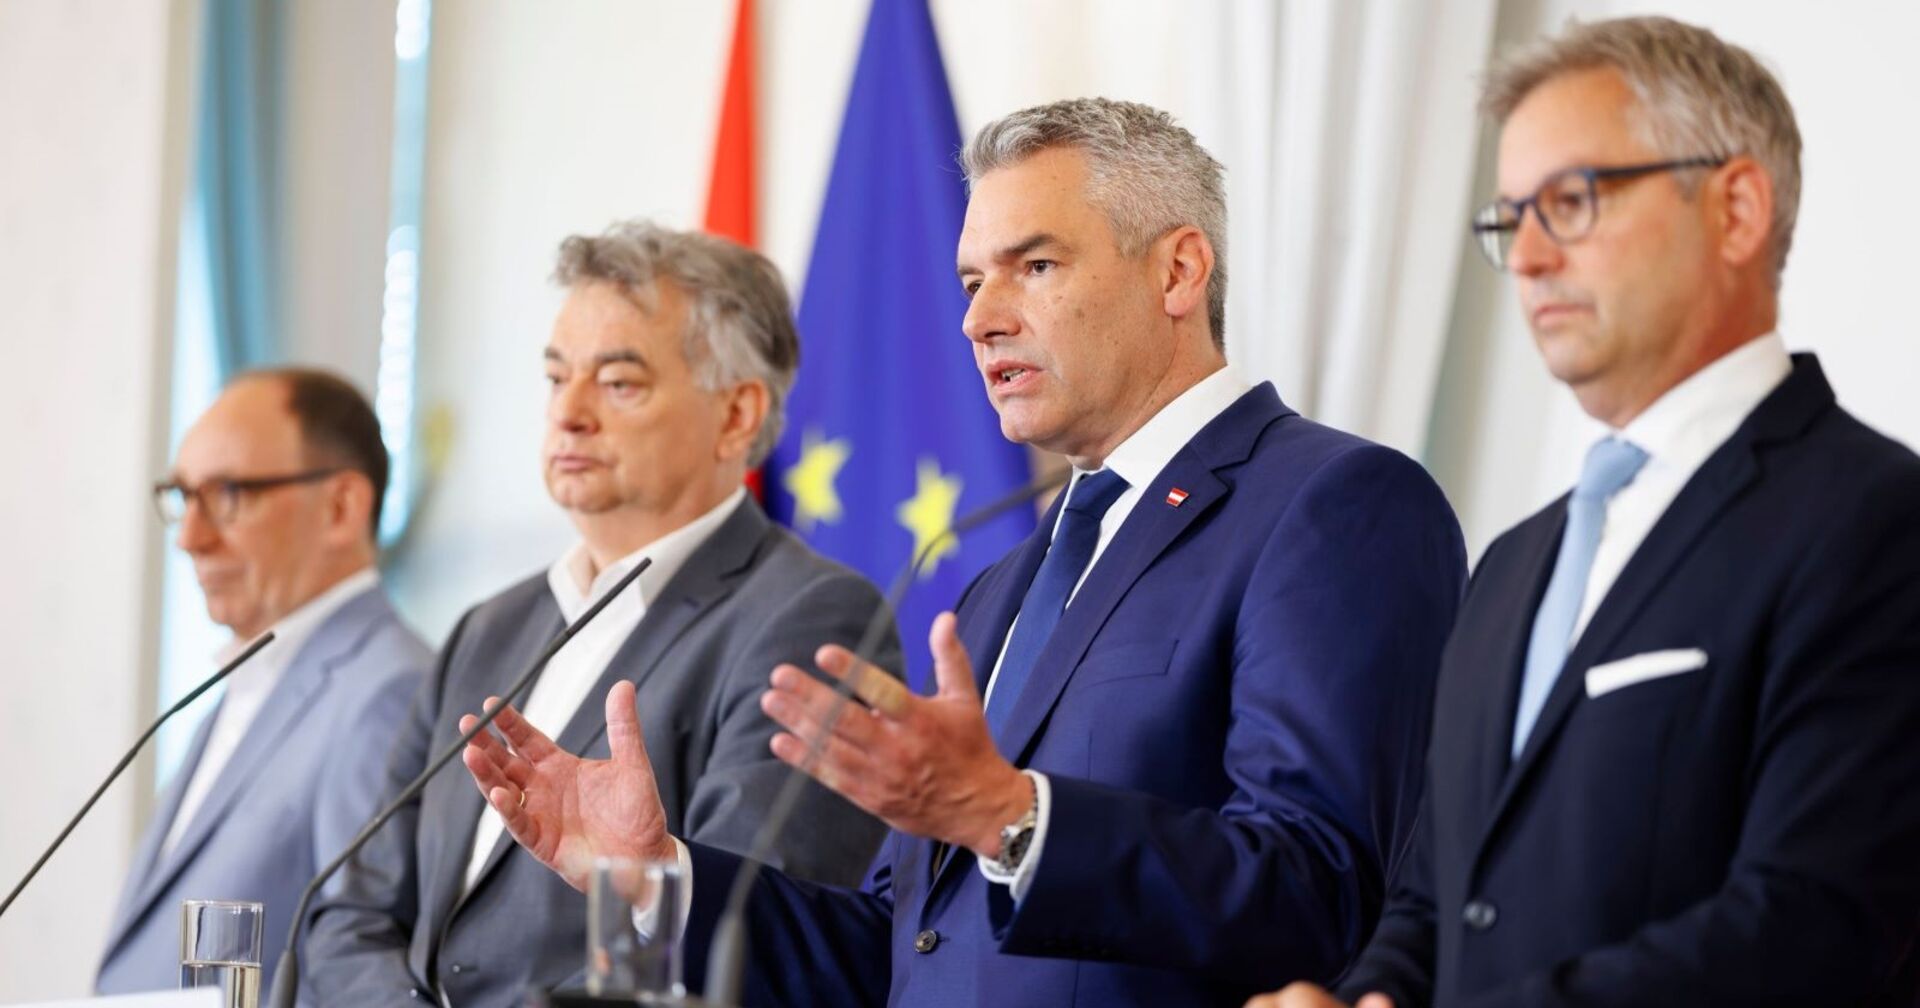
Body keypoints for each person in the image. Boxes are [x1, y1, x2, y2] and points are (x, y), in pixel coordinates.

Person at [466, 99, 1467, 1006]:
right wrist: (651, 877)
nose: (981, 318)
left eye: (1035, 267)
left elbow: (1327, 890)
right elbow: (897, 948)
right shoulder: (1001, 585)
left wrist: (1014, 817)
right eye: (971, 280)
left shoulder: (1331, 505)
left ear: (1178, 270)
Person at [1252, 16, 1920, 1008]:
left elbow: (1813, 927)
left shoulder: (1873, 517)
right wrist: (1372, 996)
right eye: (1508, 217)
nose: (1524, 256)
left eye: (1570, 202)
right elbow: (1437, 898)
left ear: (1736, 209)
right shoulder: (1515, 564)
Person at [302, 221, 900, 1008]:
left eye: (619, 383)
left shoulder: (810, 616)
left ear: (736, 415)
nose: (571, 413)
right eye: (557, 378)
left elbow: (749, 934)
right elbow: (353, 912)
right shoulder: (489, 629)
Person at [96, 369, 432, 996]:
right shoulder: (245, 683)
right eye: (181, 495)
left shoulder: (387, 693)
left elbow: (361, 973)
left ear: (340, 508)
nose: (191, 539)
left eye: (227, 494)